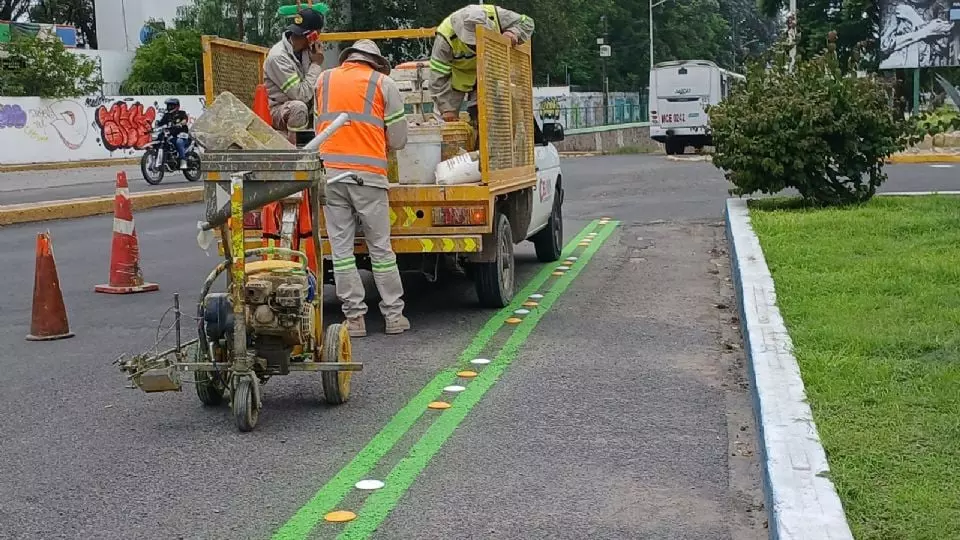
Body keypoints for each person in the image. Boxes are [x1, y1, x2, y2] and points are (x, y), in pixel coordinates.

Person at [316, 40, 410, 338]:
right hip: (368, 176)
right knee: (380, 248)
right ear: (376, 62)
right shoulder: (384, 83)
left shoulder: (323, 79)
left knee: (342, 252)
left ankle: (354, 320)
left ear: (349, 59)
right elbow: (397, 140)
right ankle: (394, 316)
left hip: (330, 175)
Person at [429, 4, 535, 124]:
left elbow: (527, 22)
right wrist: (446, 108)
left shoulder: (497, 15)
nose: (475, 46)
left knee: (490, 119)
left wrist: (514, 32)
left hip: (489, 72)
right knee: (446, 124)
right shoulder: (445, 37)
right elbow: (437, 77)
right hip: (457, 77)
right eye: (471, 43)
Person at [264, 7, 326, 133]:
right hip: (281, 110)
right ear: (312, 35)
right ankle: (294, 148)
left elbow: (314, 86)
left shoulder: (307, 51)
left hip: (304, 106)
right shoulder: (278, 57)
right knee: (299, 108)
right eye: (318, 34)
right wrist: (316, 65)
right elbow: (300, 95)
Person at [156, 98, 190, 169]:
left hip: (182, 136)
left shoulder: (181, 113)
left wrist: (181, 123)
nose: (169, 107)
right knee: (160, 138)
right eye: (168, 105)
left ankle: (183, 161)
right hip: (172, 136)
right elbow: (160, 123)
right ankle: (162, 159)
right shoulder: (167, 115)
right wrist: (155, 125)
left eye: (171, 105)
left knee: (179, 142)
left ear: (177, 106)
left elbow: (185, 120)